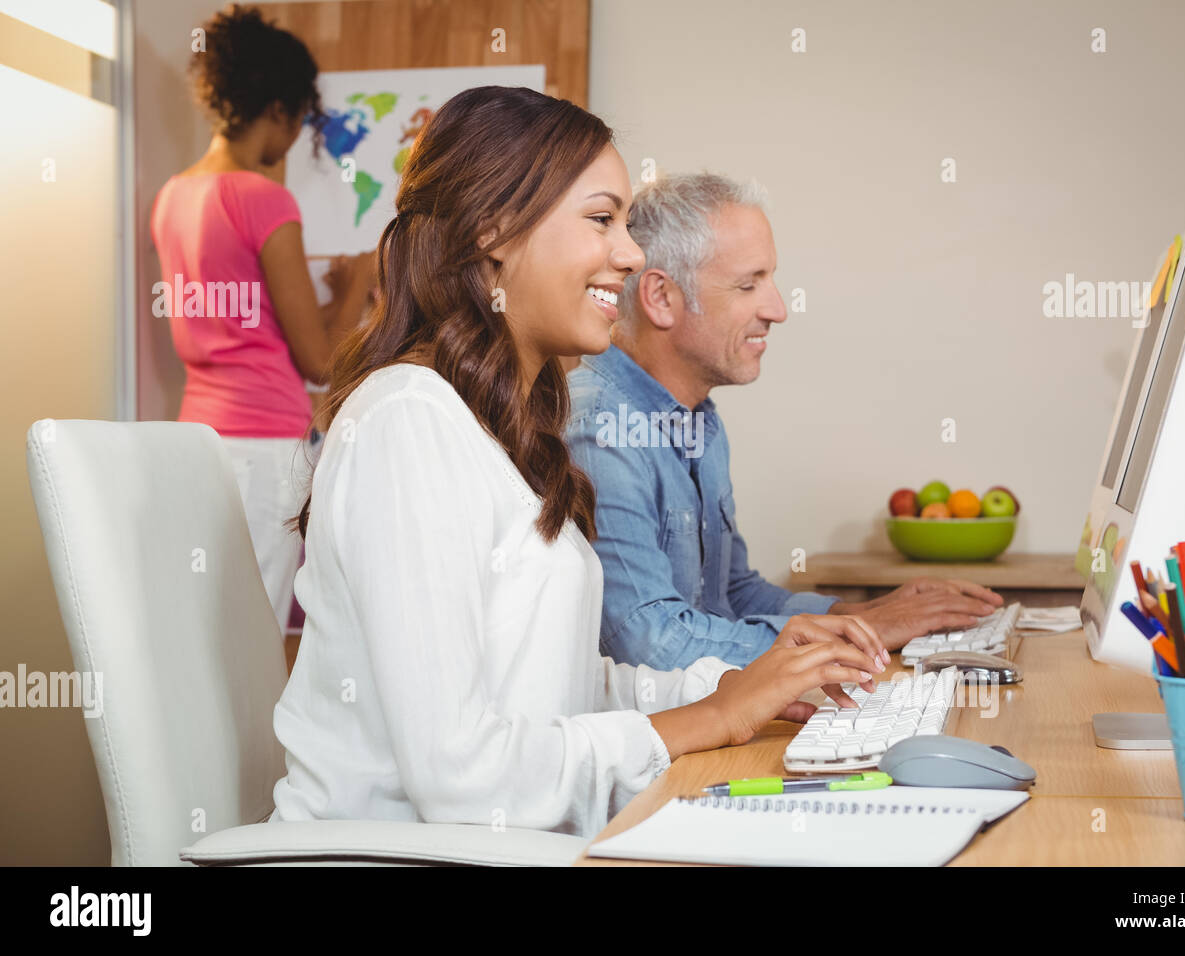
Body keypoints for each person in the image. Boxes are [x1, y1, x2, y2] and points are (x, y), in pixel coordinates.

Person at [269, 86, 890, 838]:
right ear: (494, 229)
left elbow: (551, 687)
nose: (629, 255)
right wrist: (711, 717)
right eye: (602, 220)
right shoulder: (408, 424)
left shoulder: (506, 430)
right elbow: (462, 777)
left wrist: (730, 685)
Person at [566, 173, 1001, 671]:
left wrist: (858, 614)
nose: (778, 309)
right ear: (661, 298)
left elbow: (729, 593)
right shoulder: (603, 430)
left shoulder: (698, 419)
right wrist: (859, 636)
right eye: (749, 284)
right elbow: (651, 643)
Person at [150, 5, 373, 667]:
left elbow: (247, 316)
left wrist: (330, 297)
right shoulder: (264, 200)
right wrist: (362, 279)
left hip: (199, 437)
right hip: (268, 447)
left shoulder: (173, 196)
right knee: (254, 639)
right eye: (300, 116)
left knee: (207, 631)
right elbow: (318, 361)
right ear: (277, 108)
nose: (298, 130)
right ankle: (247, 774)